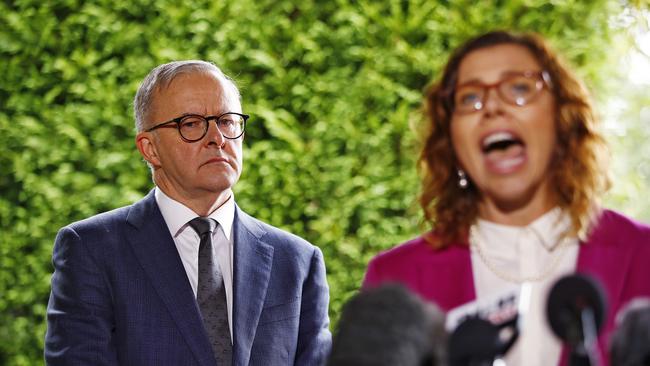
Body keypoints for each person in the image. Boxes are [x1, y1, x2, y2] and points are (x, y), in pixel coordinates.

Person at [363, 31, 650, 366]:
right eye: (469, 98)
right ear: (451, 142)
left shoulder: (643, 254)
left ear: (562, 119)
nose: (493, 107)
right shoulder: (396, 279)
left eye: (519, 88)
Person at [45, 60, 331, 366]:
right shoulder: (91, 249)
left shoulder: (298, 261)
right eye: (191, 123)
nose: (217, 138)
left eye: (227, 121)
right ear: (149, 148)